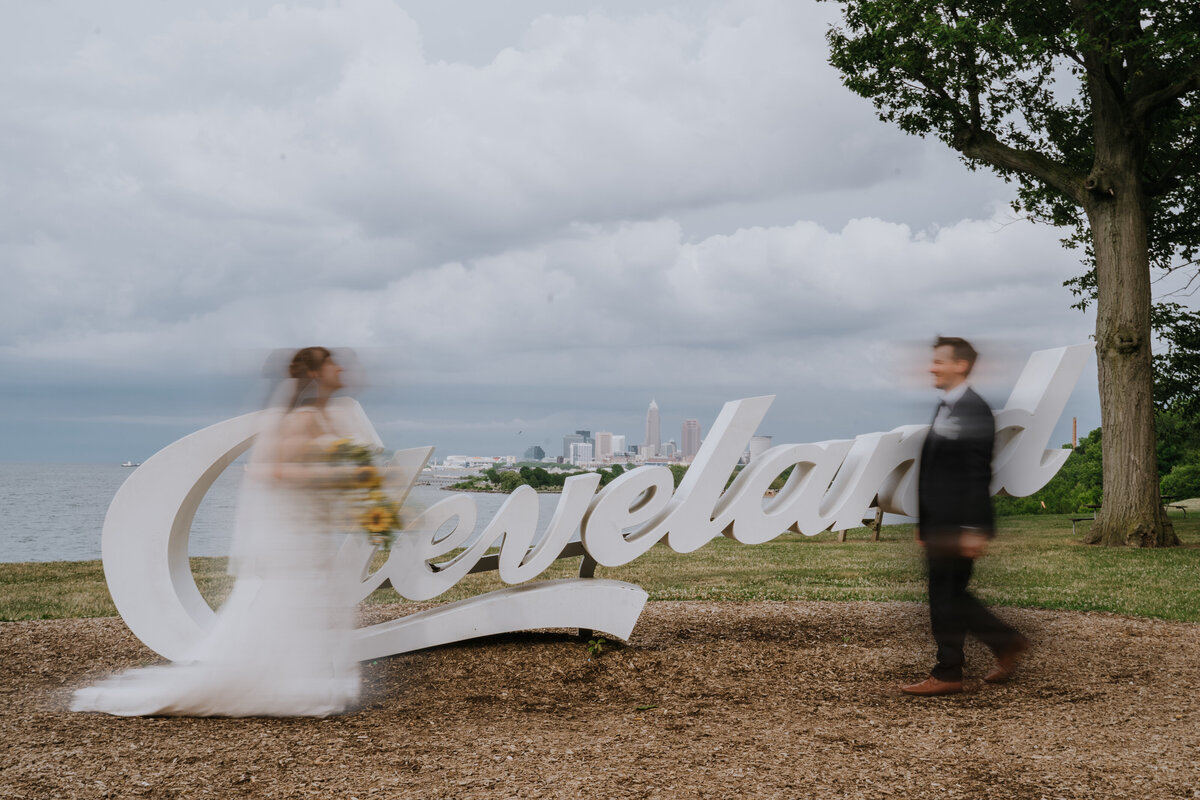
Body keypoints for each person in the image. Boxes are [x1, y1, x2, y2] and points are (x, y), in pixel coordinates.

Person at [72, 347, 383, 716]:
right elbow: (272, 472)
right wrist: (340, 475)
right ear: (316, 374)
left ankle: (301, 679)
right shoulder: (300, 419)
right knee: (287, 601)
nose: (342, 368)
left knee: (309, 603)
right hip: (295, 531)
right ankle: (281, 683)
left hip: (312, 527)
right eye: (334, 362)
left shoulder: (325, 416)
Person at [901, 336, 1028, 697]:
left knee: (946, 597)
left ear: (960, 365)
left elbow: (976, 472)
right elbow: (934, 470)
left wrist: (974, 528)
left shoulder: (973, 410)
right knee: (951, 595)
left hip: (959, 522)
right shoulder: (947, 407)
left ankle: (948, 672)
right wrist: (925, 524)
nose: (931, 366)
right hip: (941, 522)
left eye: (939, 361)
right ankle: (1005, 643)